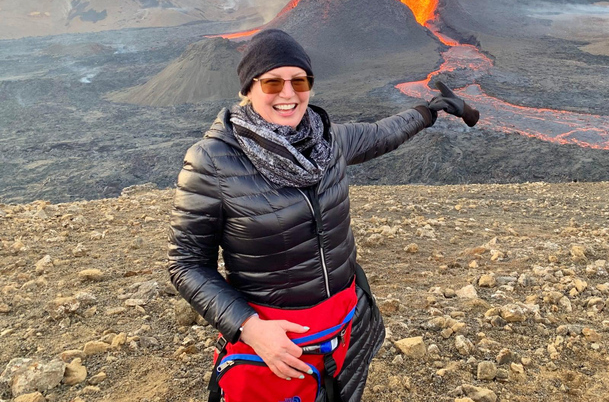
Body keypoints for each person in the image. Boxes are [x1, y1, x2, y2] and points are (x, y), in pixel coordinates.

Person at [167, 29, 477, 402]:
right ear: (248, 89)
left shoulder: (326, 140)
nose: (288, 93)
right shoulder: (212, 160)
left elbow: (382, 133)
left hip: (346, 322)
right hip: (279, 340)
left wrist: (430, 110)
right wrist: (248, 328)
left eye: (299, 80)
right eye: (272, 83)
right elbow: (186, 263)